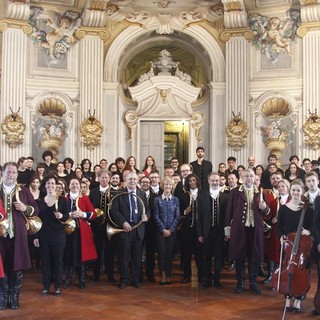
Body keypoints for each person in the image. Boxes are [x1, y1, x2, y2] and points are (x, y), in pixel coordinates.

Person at [0, 162, 39, 310]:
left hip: (18, 236)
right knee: (1, 267)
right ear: (2, 173)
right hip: (0, 237)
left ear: (17, 174)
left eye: (13, 172)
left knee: (16, 267)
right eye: (8, 172)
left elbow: (36, 209)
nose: (11, 175)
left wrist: (25, 208)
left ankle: (15, 296)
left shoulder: (23, 191)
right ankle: (2, 296)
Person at [225, 168, 269, 294]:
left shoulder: (260, 192)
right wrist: (227, 230)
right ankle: (240, 282)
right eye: (246, 176)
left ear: (255, 177)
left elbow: (267, 212)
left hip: (255, 230)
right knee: (239, 256)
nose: (249, 178)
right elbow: (229, 212)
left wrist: (264, 207)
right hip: (240, 229)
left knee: (254, 257)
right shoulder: (234, 192)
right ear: (242, 178)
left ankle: (253, 283)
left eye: (251, 176)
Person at [277, 179, 313, 312]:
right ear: (290, 191)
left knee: (302, 271)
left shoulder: (307, 209)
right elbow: (279, 226)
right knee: (287, 271)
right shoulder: (284, 208)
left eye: (298, 190)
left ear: (302, 191)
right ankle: (287, 297)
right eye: (294, 190)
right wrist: (281, 236)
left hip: (302, 246)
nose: (296, 192)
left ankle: (298, 299)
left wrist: (308, 231)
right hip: (288, 245)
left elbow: (312, 225)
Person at [110, 171, 149, 289]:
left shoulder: (142, 194)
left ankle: (135, 279)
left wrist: (146, 216)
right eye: (130, 179)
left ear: (137, 180)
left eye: (134, 179)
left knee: (137, 257)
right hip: (125, 229)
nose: (132, 181)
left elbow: (147, 209)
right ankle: (124, 279)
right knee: (124, 256)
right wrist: (123, 222)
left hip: (138, 230)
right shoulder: (119, 194)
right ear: (125, 181)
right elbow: (115, 211)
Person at [34, 174, 69, 296]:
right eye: (48, 183)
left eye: (52, 183)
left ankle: (58, 286)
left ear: (56, 185)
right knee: (45, 261)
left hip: (58, 235)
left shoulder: (62, 200)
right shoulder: (39, 201)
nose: (50, 185)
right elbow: (36, 220)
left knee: (58, 261)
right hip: (43, 235)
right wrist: (36, 237)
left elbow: (67, 217)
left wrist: (62, 216)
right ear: (45, 186)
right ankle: (46, 286)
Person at [64, 178, 97, 289]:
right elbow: (61, 213)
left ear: (80, 186)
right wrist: (70, 214)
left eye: (77, 184)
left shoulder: (85, 199)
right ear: (69, 186)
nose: (75, 186)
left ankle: (81, 280)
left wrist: (82, 214)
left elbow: (93, 214)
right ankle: (68, 279)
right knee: (69, 254)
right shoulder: (65, 198)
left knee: (81, 254)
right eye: (72, 184)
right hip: (68, 232)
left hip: (81, 232)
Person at [198, 172, 228, 289]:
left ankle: (217, 280)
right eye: (212, 180)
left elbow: (227, 217)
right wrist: (200, 233)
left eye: (217, 180)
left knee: (219, 257)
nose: (215, 182)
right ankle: (207, 279)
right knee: (207, 256)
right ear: (208, 181)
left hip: (220, 232)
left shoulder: (225, 196)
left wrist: (227, 233)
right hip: (207, 231)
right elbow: (199, 217)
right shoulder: (203, 196)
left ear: (220, 181)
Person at [89, 170, 118, 282]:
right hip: (97, 227)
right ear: (98, 179)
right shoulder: (93, 192)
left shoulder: (115, 192)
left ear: (110, 179)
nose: (104, 180)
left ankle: (110, 274)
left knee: (110, 251)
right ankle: (96, 274)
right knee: (97, 250)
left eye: (106, 178)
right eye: (102, 178)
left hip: (111, 226)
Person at [154, 176, 180, 285]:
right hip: (161, 232)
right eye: (166, 184)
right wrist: (163, 229)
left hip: (172, 232)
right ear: (162, 186)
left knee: (169, 253)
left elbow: (177, 216)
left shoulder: (175, 200)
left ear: (172, 186)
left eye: (170, 185)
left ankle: (169, 274)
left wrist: (171, 229)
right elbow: (155, 216)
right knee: (162, 253)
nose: (168, 186)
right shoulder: (157, 199)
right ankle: (163, 274)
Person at [179, 174, 204, 284]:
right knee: (186, 253)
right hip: (187, 229)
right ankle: (186, 275)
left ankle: (201, 276)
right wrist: (185, 212)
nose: (192, 182)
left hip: (199, 229)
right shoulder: (184, 195)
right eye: (190, 181)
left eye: (194, 180)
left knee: (199, 254)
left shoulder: (203, 195)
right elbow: (179, 211)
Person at [261, 172, 285, 284]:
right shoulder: (267, 194)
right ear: (270, 181)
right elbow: (267, 213)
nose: (275, 180)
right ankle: (271, 273)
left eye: (278, 178)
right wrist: (271, 220)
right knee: (272, 250)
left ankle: (283, 274)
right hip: (273, 228)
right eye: (273, 178)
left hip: (287, 230)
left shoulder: (288, 197)